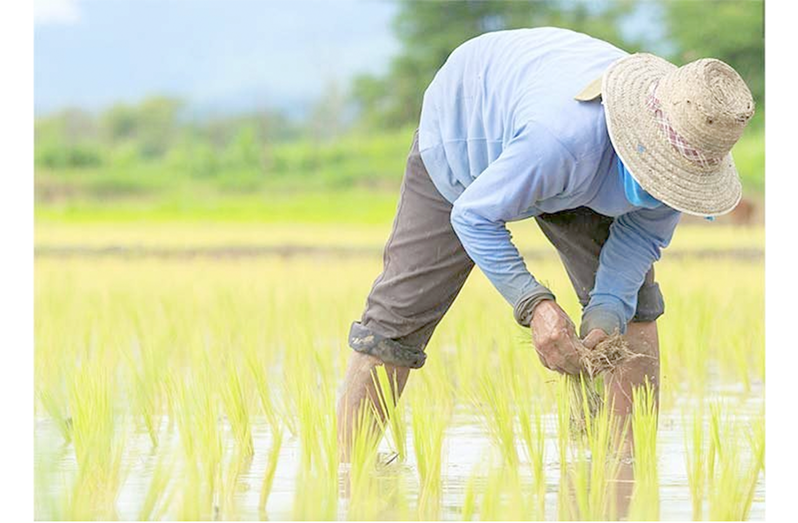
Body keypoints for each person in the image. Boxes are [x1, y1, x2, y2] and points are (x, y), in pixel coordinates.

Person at [336, 27, 755, 459]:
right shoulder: (562, 140)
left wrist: (607, 310)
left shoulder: (687, 155)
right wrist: (534, 304)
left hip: (575, 159)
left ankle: (626, 468)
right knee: (396, 320)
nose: (668, 187)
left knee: (634, 311)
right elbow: (474, 215)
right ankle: (346, 472)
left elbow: (641, 237)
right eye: (663, 174)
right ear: (637, 144)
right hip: (470, 129)